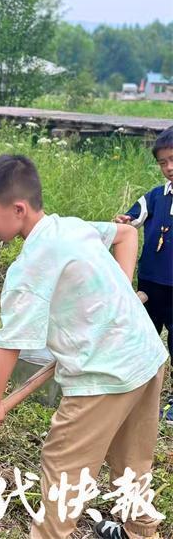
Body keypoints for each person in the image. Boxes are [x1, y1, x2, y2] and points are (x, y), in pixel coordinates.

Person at [0, 154, 167, 539]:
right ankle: (142, 531)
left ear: (18, 209)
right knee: (132, 463)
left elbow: (9, 342)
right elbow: (125, 235)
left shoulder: (30, 266)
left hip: (105, 374)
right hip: (146, 354)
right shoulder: (71, 227)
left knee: (64, 468)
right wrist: (122, 292)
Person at [114, 126, 173, 425]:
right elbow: (132, 218)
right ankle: (136, 390)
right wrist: (124, 220)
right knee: (142, 335)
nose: (169, 168)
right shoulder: (154, 196)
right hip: (150, 283)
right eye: (163, 162)